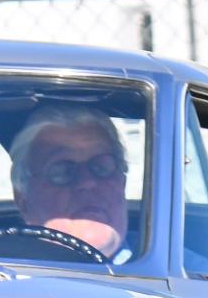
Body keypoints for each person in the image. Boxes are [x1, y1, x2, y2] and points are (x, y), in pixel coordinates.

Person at [8, 104, 133, 261]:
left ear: (123, 183)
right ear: (23, 200)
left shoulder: (170, 266)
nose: (87, 182)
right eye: (62, 172)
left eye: (101, 167)